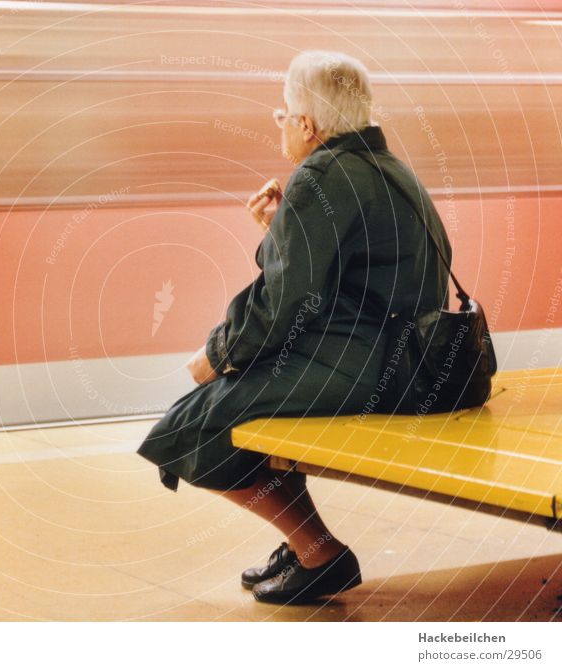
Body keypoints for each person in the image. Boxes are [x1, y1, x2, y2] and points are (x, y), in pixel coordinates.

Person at [136, 50, 452, 604]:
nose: (279, 125)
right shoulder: (389, 168)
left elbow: (287, 301)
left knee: (194, 424)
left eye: (283, 115)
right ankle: (302, 541)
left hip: (373, 365)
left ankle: (318, 550)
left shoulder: (322, 176)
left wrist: (218, 353)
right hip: (416, 359)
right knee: (246, 405)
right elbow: (327, 272)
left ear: (307, 125)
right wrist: (284, 225)